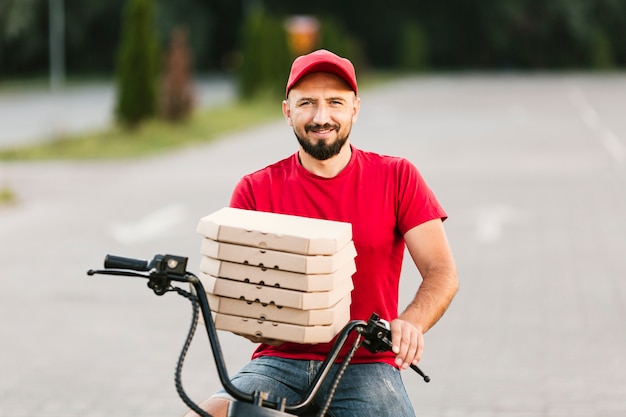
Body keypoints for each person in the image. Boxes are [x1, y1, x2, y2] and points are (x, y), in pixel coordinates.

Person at [186, 49, 458, 417]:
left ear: (354, 109)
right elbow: (241, 294)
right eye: (307, 103)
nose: (321, 116)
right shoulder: (255, 189)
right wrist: (249, 320)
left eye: (334, 102)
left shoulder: (397, 177)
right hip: (278, 362)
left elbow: (442, 271)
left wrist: (411, 323)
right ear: (287, 111)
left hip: (365, 363)